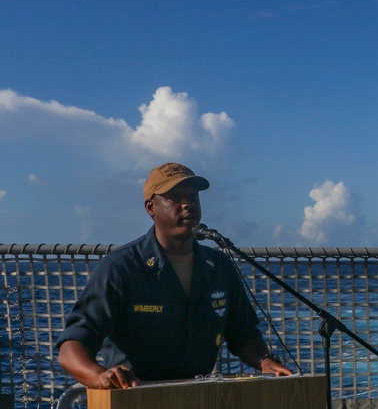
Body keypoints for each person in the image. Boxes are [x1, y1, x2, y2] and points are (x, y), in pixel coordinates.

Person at [57, 162, 293, 388]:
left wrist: (265, 361)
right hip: (134, 399)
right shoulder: (120, 268)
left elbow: (243, 334)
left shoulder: (219, 266)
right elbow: (71, 348)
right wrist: (101, 376)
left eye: (192, 197)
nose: (187, 204)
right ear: (151, 207)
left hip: (197, 399)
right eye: (175, 197)